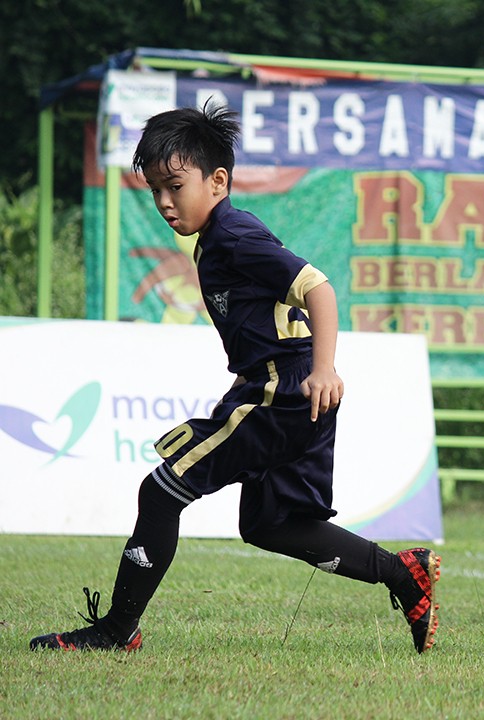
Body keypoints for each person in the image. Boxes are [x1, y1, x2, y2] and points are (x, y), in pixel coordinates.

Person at [29, 103, 440, 655]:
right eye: (155, 190)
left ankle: (115, 631)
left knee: (162, 490)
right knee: (272, 524)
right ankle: (402, 573)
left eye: (175, 186)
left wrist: (324, 368)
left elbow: (318, 288)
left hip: (281, 391)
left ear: (218, 181)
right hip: (283, 390)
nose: (164, 202)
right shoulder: (216, 239)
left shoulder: (234, 234)